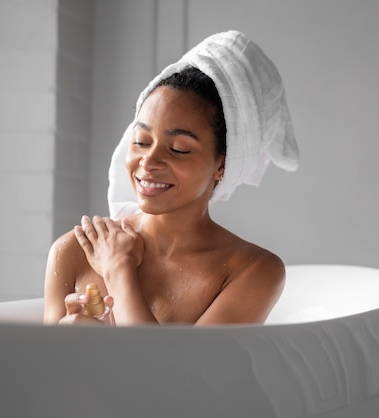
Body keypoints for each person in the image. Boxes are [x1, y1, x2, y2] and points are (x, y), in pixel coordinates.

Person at [43, 30, 299, 326]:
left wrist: (118, 269)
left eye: (178, 149)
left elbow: (177, 372)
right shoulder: (74, 251)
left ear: (222, 166)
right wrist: (67, 339)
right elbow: (44, 372)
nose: (149, 161)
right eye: (140, 141)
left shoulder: (252, 271)